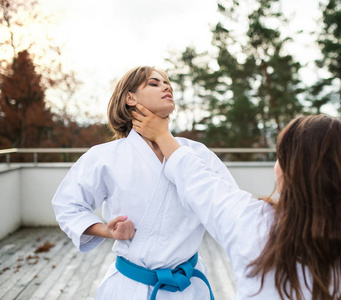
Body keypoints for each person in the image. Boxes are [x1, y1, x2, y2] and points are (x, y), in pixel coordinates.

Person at [131, 105, 341, 300]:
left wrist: (162, 136)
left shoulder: (252, 224)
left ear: (289, 169)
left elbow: (199, 183)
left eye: (280, 158)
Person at [52, 66, 238, 299]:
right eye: (154, 83)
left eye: (167, 83)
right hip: (131, 289)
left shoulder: (198, 154)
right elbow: (67, 205)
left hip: (189, 287)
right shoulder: (105, 156)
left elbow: (232, 207)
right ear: (130, 98)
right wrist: (107, 231)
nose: (166, 86)